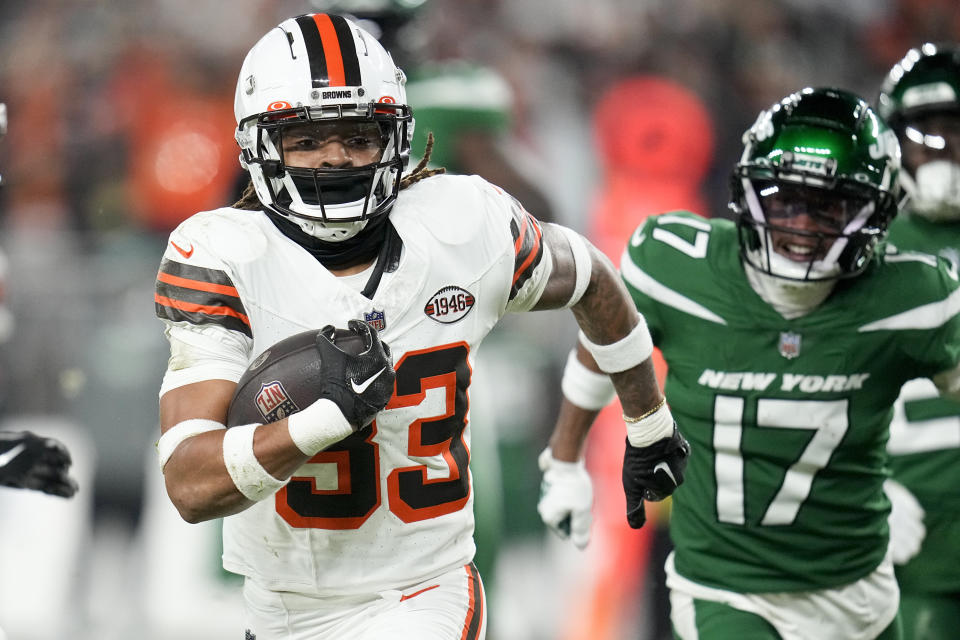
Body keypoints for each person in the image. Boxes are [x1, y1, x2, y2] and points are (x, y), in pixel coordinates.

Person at [153, 13, 681, 640]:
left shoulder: (463, 221)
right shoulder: (223, 255)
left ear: (398, 138)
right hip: (278, 608)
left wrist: (650, 424)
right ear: (259, 146)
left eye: (358, 136)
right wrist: (327, 417)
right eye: (307, 139)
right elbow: (190, 483)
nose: (335, 159)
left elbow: (594, 278)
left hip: (423, 592)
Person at [541, 86, 960, 640]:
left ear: (875, 214)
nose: (801, 227)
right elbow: (604, 339)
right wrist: (563, 461)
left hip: (856, 588)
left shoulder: (914, 295)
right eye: (785, 200)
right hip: (724, 585)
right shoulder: (675, 265)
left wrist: (911, 487)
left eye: (828, 207)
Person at [876, 42, 960, 639]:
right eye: (922, 135)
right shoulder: (861, 245)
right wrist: (863, 488)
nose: (941, 152)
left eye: (954, 131)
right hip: (917, 528)